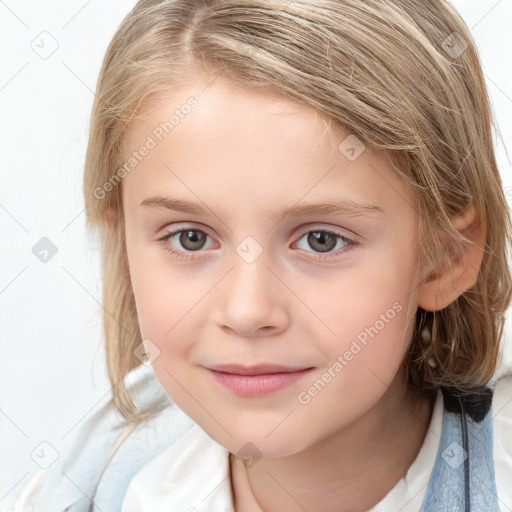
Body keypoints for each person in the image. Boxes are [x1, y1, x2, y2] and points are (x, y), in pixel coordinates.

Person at [14, 0, 512, 511]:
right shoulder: (98, 480)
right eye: (190, 238)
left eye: (322, 240)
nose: (247, 311)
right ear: (124, 249)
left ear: (446, 256)